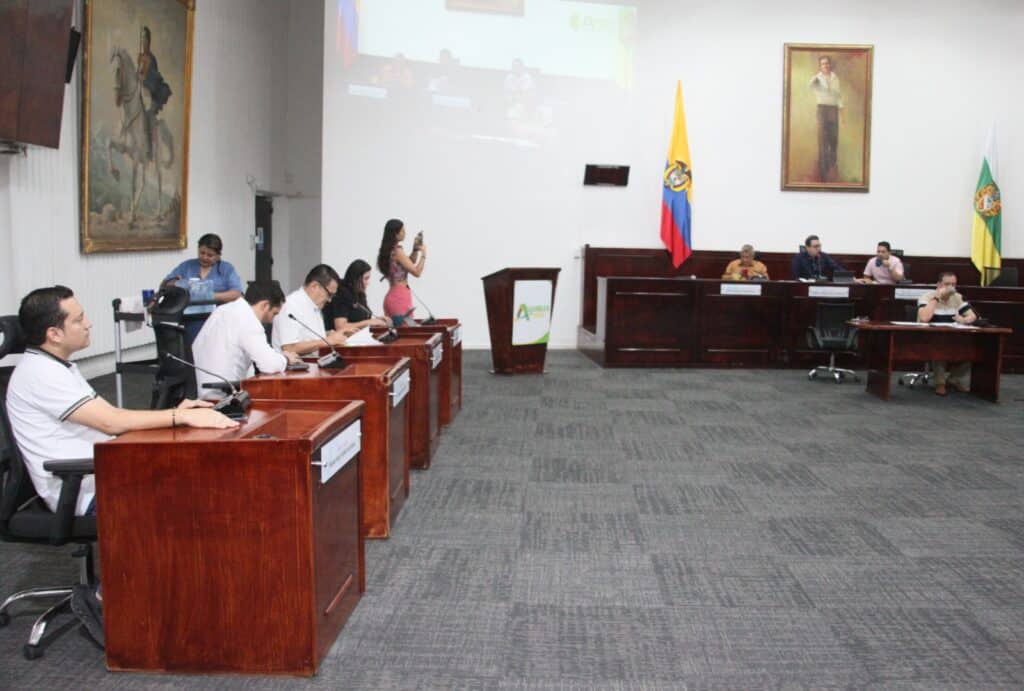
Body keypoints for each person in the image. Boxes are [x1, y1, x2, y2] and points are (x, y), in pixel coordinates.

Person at [5, 286, 238, 646]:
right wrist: (178, 417)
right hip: (79, 487)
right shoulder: (41, 375)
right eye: (79, 319)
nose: (88, 324)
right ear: (53, 333)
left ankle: (174, 597)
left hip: (100, 472)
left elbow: (113, 418)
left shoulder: (58, 366)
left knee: (192, 481)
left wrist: (177, 415)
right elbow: (112, 423)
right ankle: (113, 597)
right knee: (185, 500)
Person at [192, 282, 301, 397]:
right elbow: (269, 365)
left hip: (200, 389)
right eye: (274, 313)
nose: (272, 321)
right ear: (265, 305)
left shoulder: (223, 309)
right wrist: (286, 358)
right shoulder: (248, 320)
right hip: (221, 394)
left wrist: (277, 356)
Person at [163, 233, 244, 341]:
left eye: (210, 255)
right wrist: (176, 283)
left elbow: (236, 293)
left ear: (218, 255)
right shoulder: (187, 266)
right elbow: (166, 284)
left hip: (219, 319)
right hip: (192, 319)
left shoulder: (226, 269)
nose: (205, 257)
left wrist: (209, 296)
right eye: (202, 253)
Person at [917, 272, 977, 396]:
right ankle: (940, 383)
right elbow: (924, 318)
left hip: (953, 336)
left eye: (953, 284)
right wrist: (937, 297)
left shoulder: (957, 297)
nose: (950, 288)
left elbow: (972, 316)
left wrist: (964, 320)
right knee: (940, 348)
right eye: (947, 284)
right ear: (938, 284)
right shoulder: (926, 297)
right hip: (929, 337)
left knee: (971, 350)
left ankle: (953, 379)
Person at [271, 264, 348, 355]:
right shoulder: (291, 306)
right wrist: (327, 341)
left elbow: (305, 336)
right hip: (294, 367)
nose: (330, 300)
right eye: (329, 294)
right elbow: (289, 348)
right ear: (314, 286)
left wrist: (328, 335)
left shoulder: (314, 305)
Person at [377, 219, 426, 324]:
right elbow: (417, 272)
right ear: (396, 234)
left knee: (401, 333)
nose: (405, 233)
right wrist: (424, 254)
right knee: (408, 333)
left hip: (393, 296)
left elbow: (409, 262)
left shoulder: (391, 250)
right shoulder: (397, 251)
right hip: (399, 298)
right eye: (402, 231)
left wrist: (415, 250)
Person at [323, 259, 392, 333]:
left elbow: (363, 318)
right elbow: (340, 326)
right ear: (356, 278)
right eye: (366, 278)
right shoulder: (342, 293)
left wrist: (378, 320)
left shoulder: (359, 293)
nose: (367, 283)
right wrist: (369, 322)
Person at [136, 26, 172, 160]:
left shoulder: (152, 59)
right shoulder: (140, 57)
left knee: (147, 115)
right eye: (141, 38)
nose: (143, 41)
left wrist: (144, 81)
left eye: (145, 38)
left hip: (151, 95)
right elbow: (137, 75)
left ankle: (149, 151)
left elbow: (154, 78)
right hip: (140, 94)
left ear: (148, 40)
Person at [809, 55, 842, 182]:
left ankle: (832, 167)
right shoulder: (817, 78)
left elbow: (839, 96)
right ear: (820, 66)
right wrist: (815, 79)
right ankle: (823, 170)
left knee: (833, 140)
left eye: (827, 63)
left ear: (830, 65)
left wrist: (842, 113)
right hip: (822, 109)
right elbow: (810, 86)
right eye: (823, 64)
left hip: (833, 110)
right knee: (823, 140)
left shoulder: (835, 77)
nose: (826, 66)